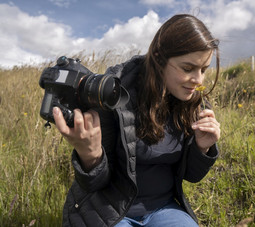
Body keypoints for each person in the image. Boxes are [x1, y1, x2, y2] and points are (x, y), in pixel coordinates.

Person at [53, 14, 221, 227]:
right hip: (108, 211)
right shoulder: (113, 93)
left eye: (203, 70)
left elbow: (191, 176)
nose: (198, 80)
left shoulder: (194, 103)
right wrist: (90, 155)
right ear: (160, 59)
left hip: (164, 208)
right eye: (188, 68)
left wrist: (202, 148)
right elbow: (94, 182)